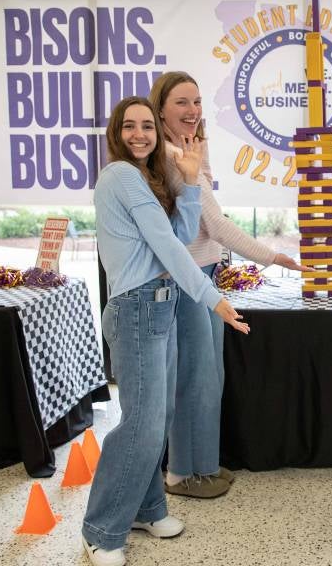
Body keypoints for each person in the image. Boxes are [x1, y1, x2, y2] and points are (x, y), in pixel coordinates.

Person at [82, 96, 250, 566]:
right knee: (141, 423)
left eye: (147, 127)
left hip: (160, 303)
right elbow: (166, 247)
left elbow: (179, 238)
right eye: (129, 126)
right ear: (116, 133)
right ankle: (101, 530)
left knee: (159, 418)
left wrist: (190, 182)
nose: (139, 134)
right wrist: (213, 298)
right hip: (137, 307)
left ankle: (146, 509)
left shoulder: (146, 179)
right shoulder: (120, 175)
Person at [148, 71, 310, 499]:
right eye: (181, 102)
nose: (192, 110)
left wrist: (200, 157)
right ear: (160, 110)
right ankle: (181, 473)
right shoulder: (171, 156)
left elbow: (208, 215)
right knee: (195, 377)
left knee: (210, 374)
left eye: (197, 101)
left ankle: (202, 464)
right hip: (187, 279)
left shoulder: (189, 151)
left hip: (205, 273)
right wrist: (273, 256)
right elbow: (215, 224)